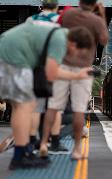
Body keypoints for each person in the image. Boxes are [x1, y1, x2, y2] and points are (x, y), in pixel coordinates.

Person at [0, 19, 93, 169]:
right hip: (13, 57)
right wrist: (78, 75)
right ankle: (20, 157)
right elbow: (52, 73)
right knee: (25, 105)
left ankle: (23, 153)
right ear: (75, 44)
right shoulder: (60, 40)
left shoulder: (59, 34)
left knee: (22, 106)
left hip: (7, 52)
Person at [40, 0, 108, 160]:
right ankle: (77, 149)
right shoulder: (96, 21)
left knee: (53, 107)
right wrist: (102, 15)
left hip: (63, 65)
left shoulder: (69, 13)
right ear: (94, 5)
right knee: (79, 110)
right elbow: (104, 39)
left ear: (79, 2)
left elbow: (57, 27)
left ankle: (44, 143)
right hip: (83, 69)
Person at [27, 0, 69, 154]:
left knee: (35, 107)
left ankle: (32, 142)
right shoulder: (60, 21)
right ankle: (55, 142)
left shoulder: (31, 21)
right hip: (55, 67)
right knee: (55, 107)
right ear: (57, 7)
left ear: (41, 6)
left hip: (35, 67)